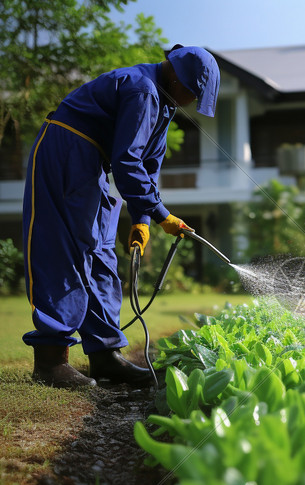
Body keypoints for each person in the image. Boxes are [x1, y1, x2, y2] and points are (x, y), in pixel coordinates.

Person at [22, 45, 219, 389]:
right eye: (193, 92)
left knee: (100, 255)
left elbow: (148, 166)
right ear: (175, 75)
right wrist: (160, 214)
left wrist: (141, 220)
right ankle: (50, 361)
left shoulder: (164, 102)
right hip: (67, 147)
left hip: (92, 160)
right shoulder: (142, 88)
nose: (192, 100)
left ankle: (104, 357)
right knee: (65, 250)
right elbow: (127, 162)